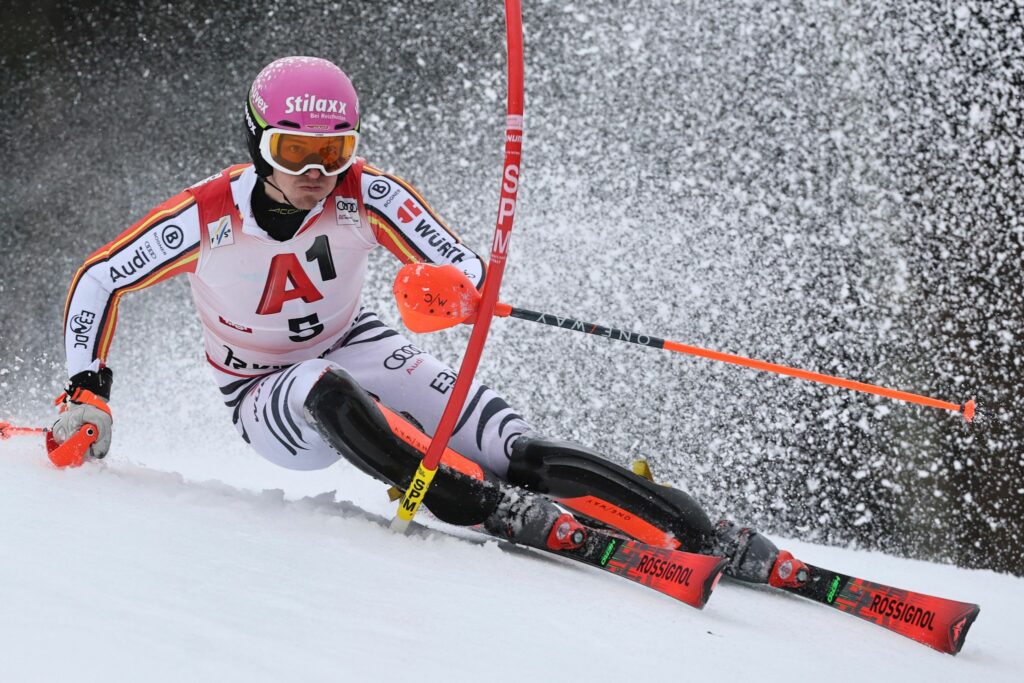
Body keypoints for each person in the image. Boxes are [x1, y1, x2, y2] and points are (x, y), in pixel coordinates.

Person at [52, 55, 807, 588]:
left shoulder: (366, 194)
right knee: (324, 384)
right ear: (256, 141)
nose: (315, 171)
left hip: (361, 340)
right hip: (263, 392)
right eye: (294, 150)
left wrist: (452, 291)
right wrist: (86, 391)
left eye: (333, 150)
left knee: (504, 439)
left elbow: (462, 263)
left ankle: (697, 528)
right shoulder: (206, 214)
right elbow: (99, 278)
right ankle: (480, 507)